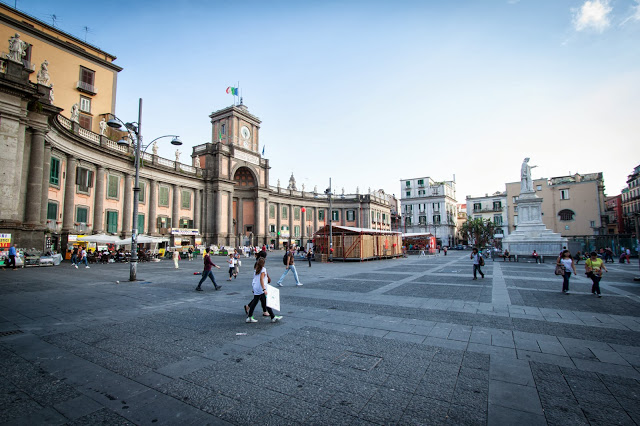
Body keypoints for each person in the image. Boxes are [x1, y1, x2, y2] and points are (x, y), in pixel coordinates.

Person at [244, 257, 282, 323]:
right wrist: (264, 289)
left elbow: (255, 279)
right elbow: (261, 279)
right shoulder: (263, 269)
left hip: (256, 287)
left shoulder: (256, 269)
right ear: (263, 263)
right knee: (265, 302)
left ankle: (250, 317)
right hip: (260, 288)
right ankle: (272, 317)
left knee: (257, 302)